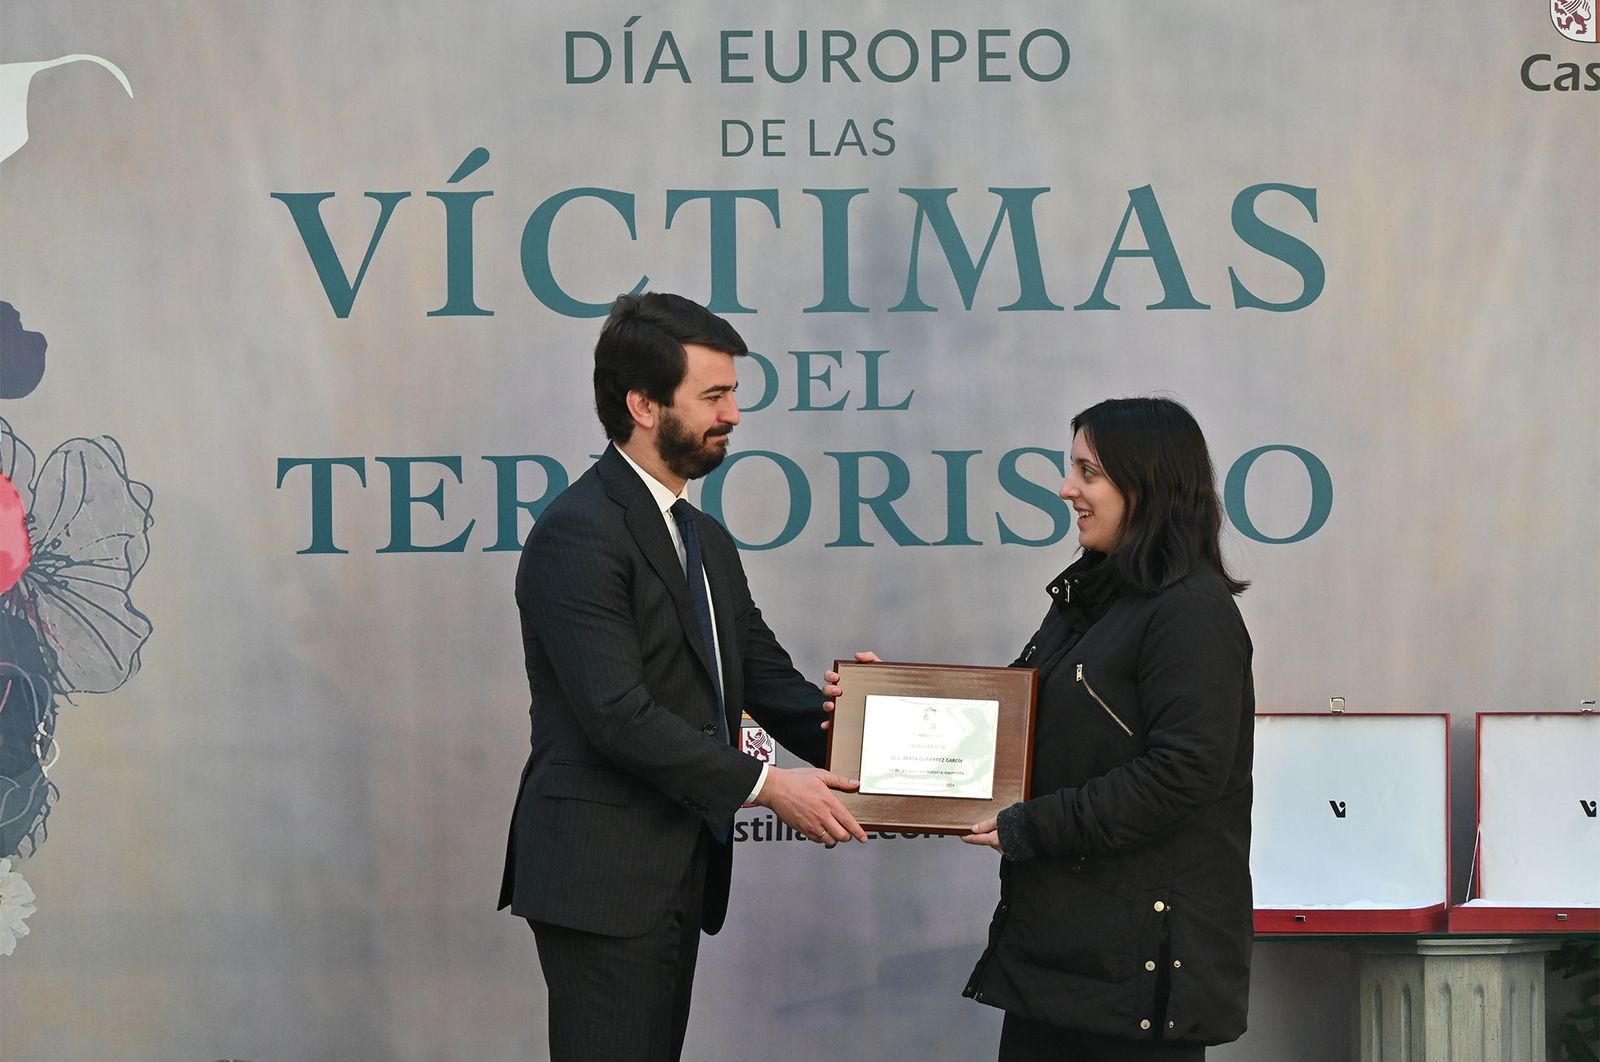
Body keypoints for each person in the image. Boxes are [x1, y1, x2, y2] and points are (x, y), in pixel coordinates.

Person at [498, 292, 867, 1062]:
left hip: (673, 870)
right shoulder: (578, 533)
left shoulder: (704, 538)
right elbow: (618, 715)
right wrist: (769, 788)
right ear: (642, 403)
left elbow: (768, 681)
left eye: (733, 393)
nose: (733, 413)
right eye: (714, 395)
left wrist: (868, 719)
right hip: (601, 880)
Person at [959, 397, 1255, 1061]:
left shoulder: (1191, 612)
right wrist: (889, 704)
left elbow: (1183, 773)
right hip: (1064, 959)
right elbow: (1014, 717)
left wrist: (1030, 828)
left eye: (1087, 473)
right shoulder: (1093, 597)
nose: (1067, 490)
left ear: (1144, 485)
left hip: (1133, 983)